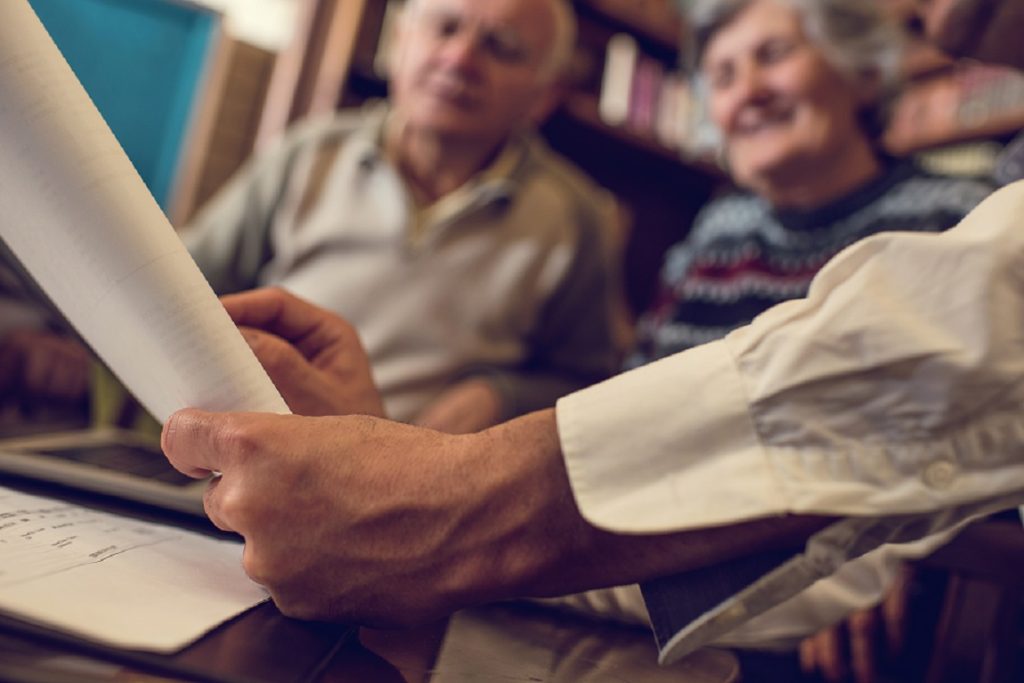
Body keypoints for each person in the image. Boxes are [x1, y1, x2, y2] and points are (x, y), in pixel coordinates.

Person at [161, 0, 1024, 668]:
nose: (745, 89)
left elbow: (951, 425)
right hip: (622, 578)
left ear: (857, 72)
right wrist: (396, 456)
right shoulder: (715, 229)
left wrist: (883, 536)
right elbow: (636, 392)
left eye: (774, 53)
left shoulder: (951, 217)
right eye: (720, 73)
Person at [0, 0, 622, 434]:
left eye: (501, 47)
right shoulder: (310, 153)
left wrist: (500, 395)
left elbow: (590, 384)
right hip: (254, 441)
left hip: (418, 485)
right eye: (445, 26)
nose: (459, 58)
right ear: (401, 41)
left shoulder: (575, 217)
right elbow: (184, 284)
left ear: (543, 95)